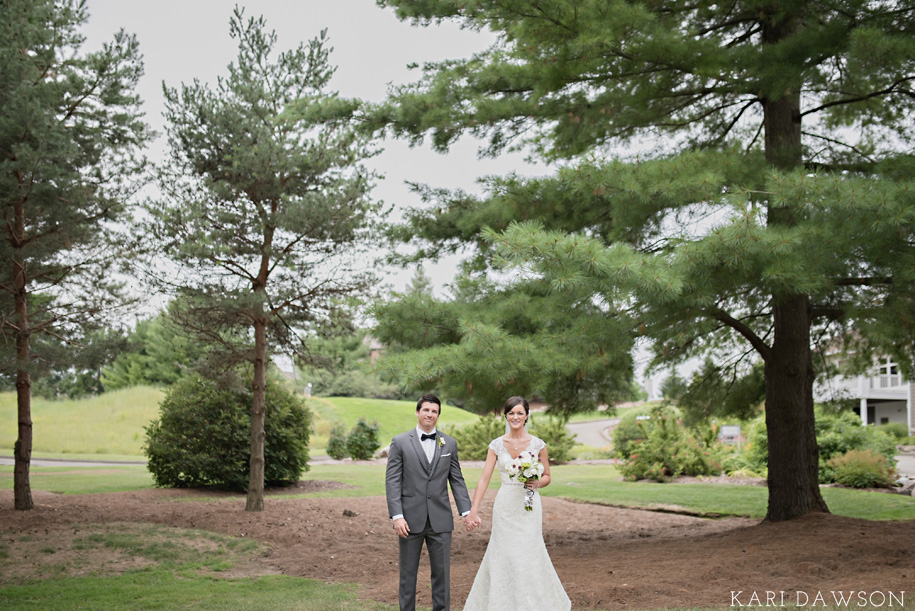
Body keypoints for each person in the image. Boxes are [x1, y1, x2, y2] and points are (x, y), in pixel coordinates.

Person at [462, 396, 571, 610]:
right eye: (511, 413)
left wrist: (536, 482)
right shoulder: (496, 445)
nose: (515, 417)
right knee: (503, 554)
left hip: (529, 507)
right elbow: (484, 478)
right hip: (505, 507)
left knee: (529, 554)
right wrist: (473, 510)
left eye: (520, 413)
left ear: (527, 416)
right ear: (506, 416)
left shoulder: (538, 444)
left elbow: (547, 475)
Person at [385, 394, 475, 611]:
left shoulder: (449, 443)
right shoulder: (400, 442)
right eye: (426, 410)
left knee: (442, 576)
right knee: (407, 576)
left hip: (441, 520)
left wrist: (467, 512)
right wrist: (397, 516)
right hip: (409, 520)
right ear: (417, 412)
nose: (430, 414)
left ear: (438, 415)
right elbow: (393, 481)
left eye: (434, 411)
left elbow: (457, 480)